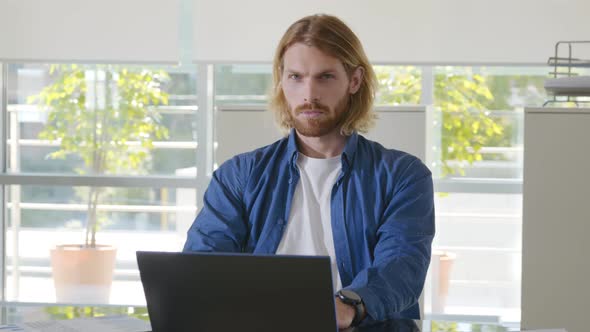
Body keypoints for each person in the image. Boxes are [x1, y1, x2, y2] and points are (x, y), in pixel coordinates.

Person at [183, 14, 435, 329]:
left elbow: (401, 265)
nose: (309, 94)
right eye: (296, 77)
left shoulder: (403, 176)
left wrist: (348, 306)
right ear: (281, 80)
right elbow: (204, 265)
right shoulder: (239, 175)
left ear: (354, 81)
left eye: (325, 77)